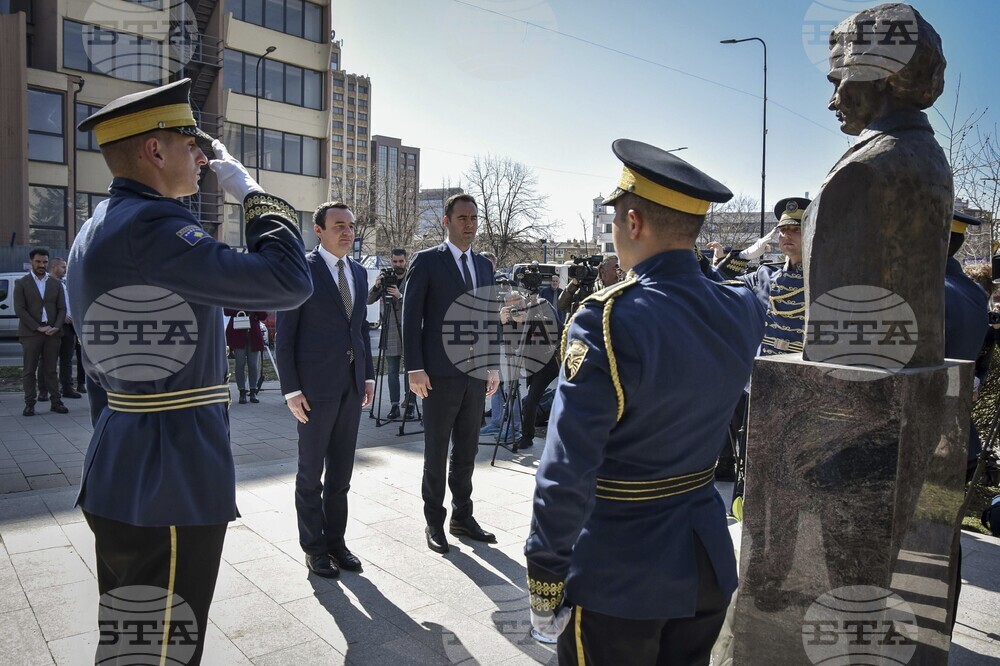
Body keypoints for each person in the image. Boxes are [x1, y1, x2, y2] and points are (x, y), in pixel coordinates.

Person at [69, 78, 312, 665]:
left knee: (132, 646)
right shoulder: (151, 229)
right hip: (168, 479)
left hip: (127, 464)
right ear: (154, 150)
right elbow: (287, 280)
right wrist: (249, 190)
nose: (205, 157)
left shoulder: (103, 222)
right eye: (192, 143)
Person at [525, 139, 764, 665]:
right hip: (704, 559)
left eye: (615, 220)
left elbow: (567, 467)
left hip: (619, 571)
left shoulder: (606, 318)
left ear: (633, 223)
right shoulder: (742, 307)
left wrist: (545, 574)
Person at [277, 201, 375, 579]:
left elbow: (361, 328)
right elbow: (286, 336)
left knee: (341, 476)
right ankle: (314, 548)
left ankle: (337, 543)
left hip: (351, 388)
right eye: (338, 225)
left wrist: (366, 376)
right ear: (318, 230)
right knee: (310, 473)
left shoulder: (359, 273)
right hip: (314, 391)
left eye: (350, 225)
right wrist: (291, 390)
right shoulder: (302, 268)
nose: (347, 231)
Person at [403, 193, 500, 554]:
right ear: (446, 221)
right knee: (436, 449)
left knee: (468, 449)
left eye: (474, 218)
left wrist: (493, 363)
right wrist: (414, 367)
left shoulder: (485, 266)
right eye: (462, 218)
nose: (469, 224)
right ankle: (434, 522)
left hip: (475, 374)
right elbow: (411, 317)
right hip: (437, 374)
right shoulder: (427, 261)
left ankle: (463, 515)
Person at [14, 248, 67, 416]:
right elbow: (20, 310)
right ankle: (30, 403)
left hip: (52, 333)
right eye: (38, 261)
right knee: (29, 370)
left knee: (51, 370)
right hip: (31, 333)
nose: (41, 265)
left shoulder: (56, 283)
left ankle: (56, 402)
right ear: (31, 262)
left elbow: (62, 308)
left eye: (44, 262)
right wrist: (37, 327)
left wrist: (57, 326)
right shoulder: (21, 283)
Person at [367, 248, 413, 420]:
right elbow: (369, 300)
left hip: (409, 329)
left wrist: (400, 296)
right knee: (392, 370)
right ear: (391, 261)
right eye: (395, 261)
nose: (398, 265)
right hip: (391, 329)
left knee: (410, 370)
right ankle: (394, 405)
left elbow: (417, 304)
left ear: (406, 261)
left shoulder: (412, 277)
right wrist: (377, 286)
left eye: (401, 261)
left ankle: (411, 404)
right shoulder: (386, 279)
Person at [224, 308, 268, 404]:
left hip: (253, 335)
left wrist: (253, 309)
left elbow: (263, 315)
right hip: (238, 335)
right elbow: (226, 311)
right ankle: (242, 392)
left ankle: (253, 391)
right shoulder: (235, 297)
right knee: (240, 364)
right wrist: (241, 309)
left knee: (253, 364)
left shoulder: (255, 298)